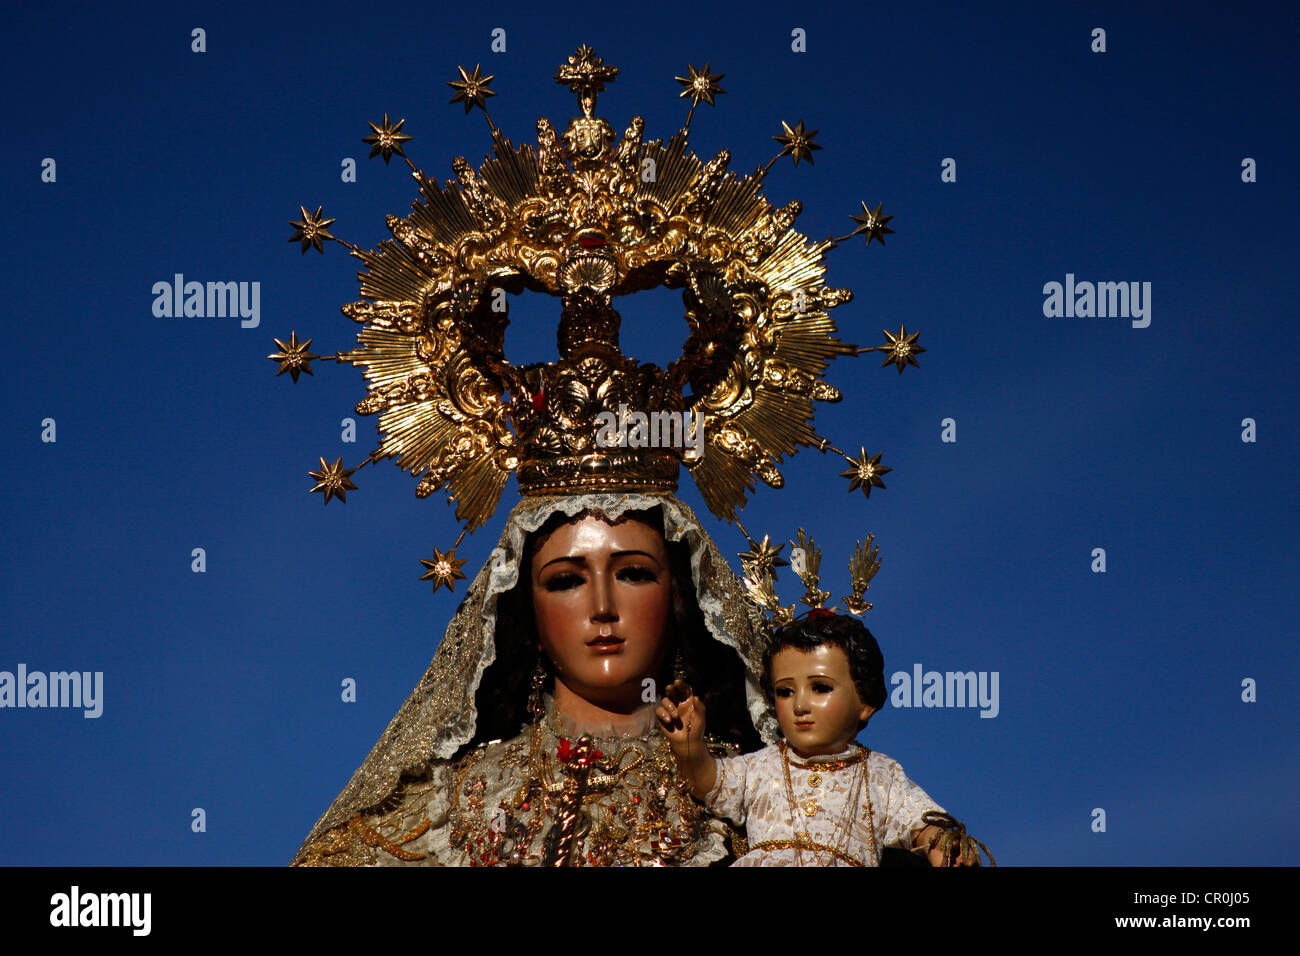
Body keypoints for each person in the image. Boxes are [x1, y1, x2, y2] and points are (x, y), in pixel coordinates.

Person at [291, 493, 773, 866]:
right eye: (566, 581)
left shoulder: (757, 793)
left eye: (633, 574)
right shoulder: (451, 803)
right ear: (530, 616)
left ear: (679, 599)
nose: (603, 607)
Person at [656, 609, 982, 867]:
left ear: (865, 701)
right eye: (785, 691)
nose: (800, 705)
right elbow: (709, 783)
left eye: (821, 688)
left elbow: (919, 824)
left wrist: (945, 845)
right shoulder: (764, 764)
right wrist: (689, 746)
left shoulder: (881, 775)